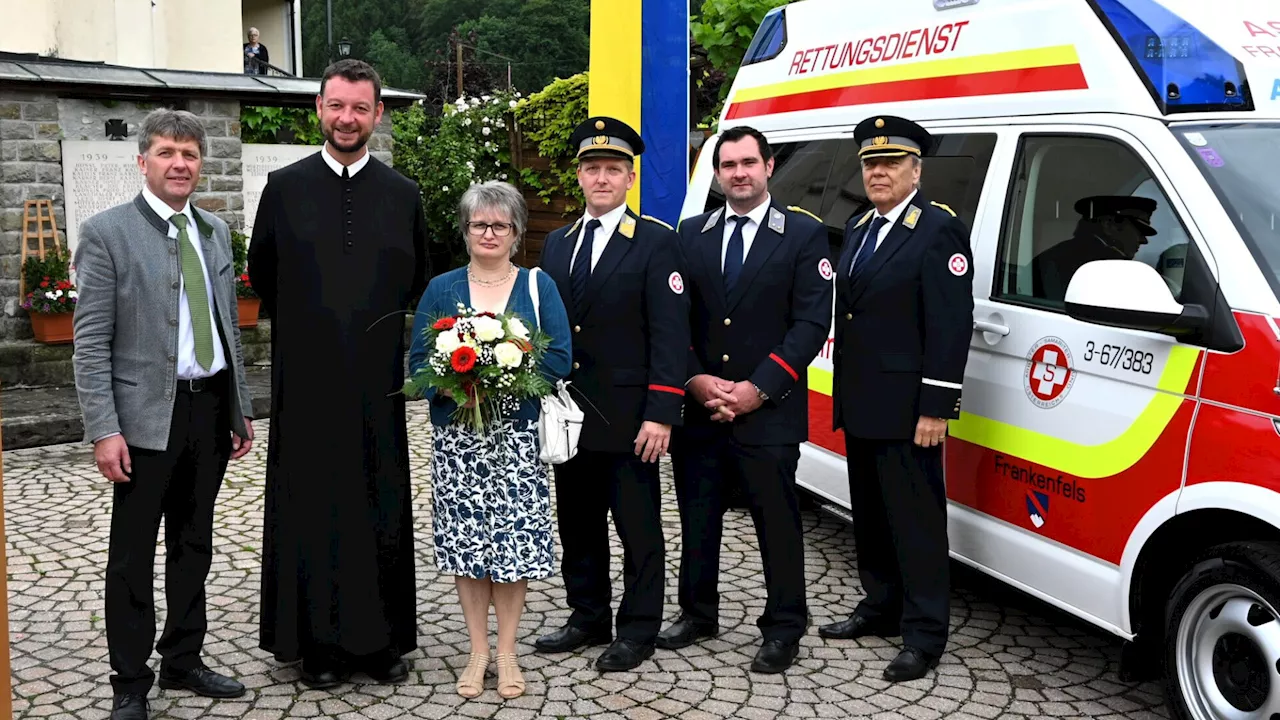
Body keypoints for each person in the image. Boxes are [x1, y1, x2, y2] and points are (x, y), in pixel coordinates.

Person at [248, 58, 429, 689]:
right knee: (312, 507)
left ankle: (378, 643)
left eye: (360, 107)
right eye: (336, 105)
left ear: (378, 114)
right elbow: (263, 274)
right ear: (318, 109)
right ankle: (316, 645)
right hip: (306, 385)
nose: (347, 118)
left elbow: (416, 281)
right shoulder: (283, 188)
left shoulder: (404, 194)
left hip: (378, 389)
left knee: (380, 505)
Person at [72, 108, 256, 720]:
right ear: (143, 160)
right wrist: (104, 429)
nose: (180, 163)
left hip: (207, 411)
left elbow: (227, 325)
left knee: (193, 542)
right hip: (145, 420)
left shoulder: (215, 231)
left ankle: (183, 658)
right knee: (131, 555)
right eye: (167, 152)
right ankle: (130, 679)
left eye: (190, 154)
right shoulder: (107, 233)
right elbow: (90, 343)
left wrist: (238, 408)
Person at [658, 126, 832, 674]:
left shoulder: (803, 236)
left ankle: (783, 627)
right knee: (698, 516)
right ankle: (697, 612)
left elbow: (810, 323)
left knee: (776, 523)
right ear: (716, 174)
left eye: (748, 162)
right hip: (702, 408)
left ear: (769, 166)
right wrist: (693, 378)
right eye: (727, 164)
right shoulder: (691, 234)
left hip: (769, 411)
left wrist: (760, 388)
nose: (738, 173)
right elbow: (672, 321)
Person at [819, 115, 974, 683]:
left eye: (889, 163)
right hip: (863, 401)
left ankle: (925, 633)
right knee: (873, 518)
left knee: (916, 523)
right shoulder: (861, 226)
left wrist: (937, 406)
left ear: (916, 168)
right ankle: (880, 604)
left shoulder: (937, 230)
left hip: (911, 409)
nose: (877, 172)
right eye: (869, 163)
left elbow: (951, 323)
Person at [533, 116, 690, 672]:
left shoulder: (655, 243)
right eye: (592, 168)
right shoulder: (557, 243)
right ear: (579, 176)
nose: (602, 178)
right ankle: (587, 614)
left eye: (613, 169)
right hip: (569, 415)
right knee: (577, 520)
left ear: (630, 179)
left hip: (630, 418)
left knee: (638, 526)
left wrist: (662, 414)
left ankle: (639, 628)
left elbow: (672, 336)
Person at [407, 181, 572, 699]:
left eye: (500, 225)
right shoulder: (442, 288)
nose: (489, 233)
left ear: (517, 232)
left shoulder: (538, 287)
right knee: (468, 547)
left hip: (518, 439)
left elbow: (560, 358)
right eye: (479, 224)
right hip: (460, 441)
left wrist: (506, 378)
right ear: (466, 230)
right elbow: (417, 364)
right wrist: (458, 384)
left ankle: (507, 653)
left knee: (513, 548)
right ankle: (477, 651)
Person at [1032, 195, 1157, 301]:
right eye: (1139, 231)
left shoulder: (1057, 253)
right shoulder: (1112, 266)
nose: (1143, 240)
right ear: (1109, 225)